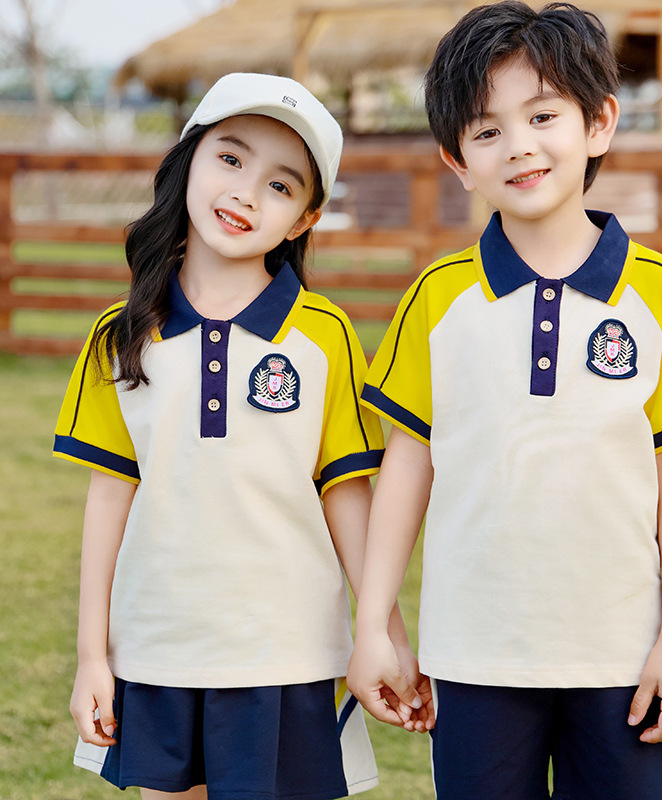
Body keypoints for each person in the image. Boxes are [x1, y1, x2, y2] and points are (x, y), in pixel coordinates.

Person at [347, 3, 662, 799]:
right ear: (457, 159)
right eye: (487, 130)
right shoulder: (439, 295)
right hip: (475, 657)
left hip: (624, 657)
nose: (519, 145)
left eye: (542, 115)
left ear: (598, 124)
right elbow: (408, 462)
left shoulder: (655, 291)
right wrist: (371, 625)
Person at [53, 72, 417, 800]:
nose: (247, 193)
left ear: (306, 220)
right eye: (230, 159)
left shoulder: (325, 336)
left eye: (281, 186)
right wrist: (93, 656)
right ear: (189, 157)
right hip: (156, 649)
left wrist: (385, 631)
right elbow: (107, 502)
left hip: (286, 652)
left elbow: (348, 493)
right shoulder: (118, 338)